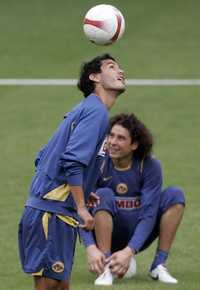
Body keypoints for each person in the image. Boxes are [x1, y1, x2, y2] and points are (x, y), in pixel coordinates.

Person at [18, 54, 126, 290]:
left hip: (53, 210)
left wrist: (83, 191)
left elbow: (43, 155)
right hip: (52, 212)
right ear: (94, 77)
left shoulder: (86, 109)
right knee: (49, 285)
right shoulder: (96, 112)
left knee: (60, 286)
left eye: (120, 67)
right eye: (111, 67)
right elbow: (72, 162)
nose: (121, 71)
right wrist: (80, 206)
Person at [81, 113, 185, 285]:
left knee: (175, 195)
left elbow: (148, 214)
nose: (113, 142)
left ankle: (158, 265)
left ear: (134, 144)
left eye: (121, 138)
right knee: (104, 195)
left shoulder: (150, 166)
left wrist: (129, 252)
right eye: (111, 135)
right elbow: (80, 208)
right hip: (106, 235)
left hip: (137, 237)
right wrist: (90, 247)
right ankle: (106, 267)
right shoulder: (97, 163)